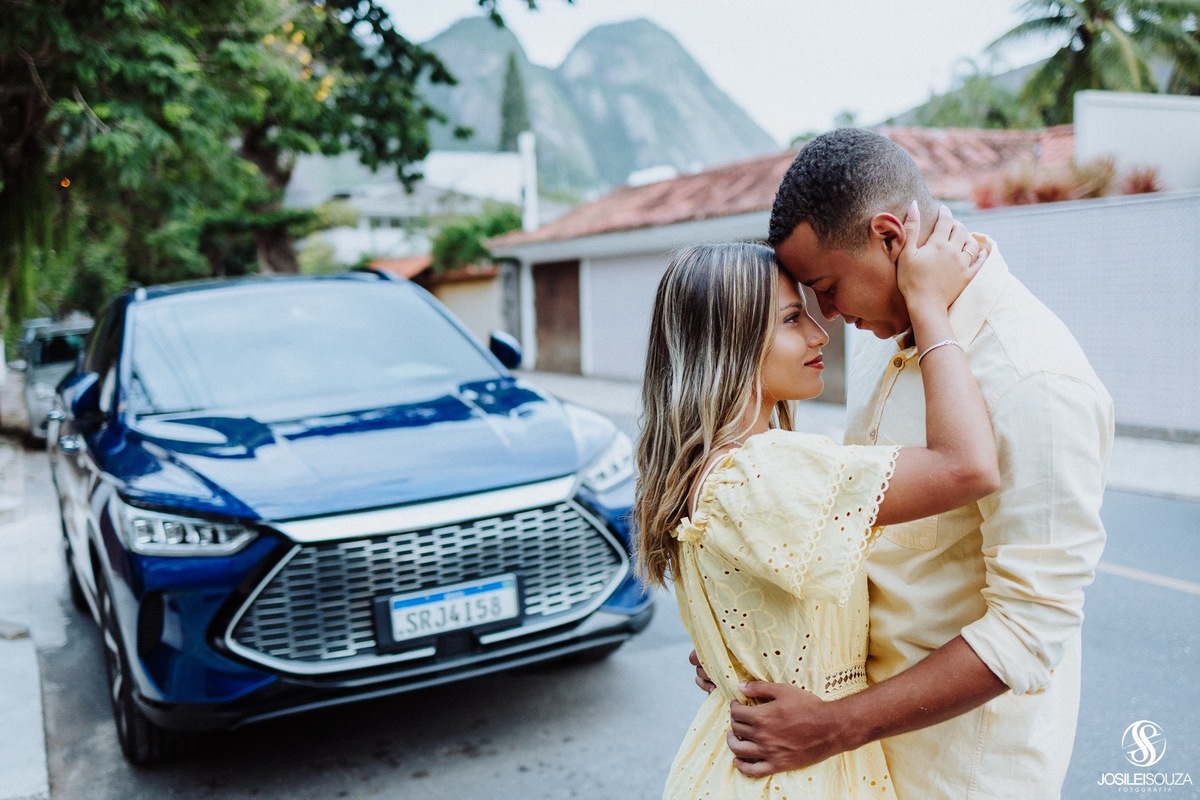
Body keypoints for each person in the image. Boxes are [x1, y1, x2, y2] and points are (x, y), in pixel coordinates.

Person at [704, 128, 1115, 799]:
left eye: (827, 287)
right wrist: (753, 637)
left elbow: (1028, 631)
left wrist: (834, 727)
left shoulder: (1032, 377)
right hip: (855, 761)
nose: (827, 317)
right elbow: (859, 543)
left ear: (890, 237)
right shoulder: (885, 341)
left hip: (958, 774)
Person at [636, 206, 1001, 799]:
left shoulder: (709, 470)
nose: (819, 333)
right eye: (789, 319)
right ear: (731, 345)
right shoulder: (763, 472)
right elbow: (968, 466)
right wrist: (930, 305)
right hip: (796, 776)